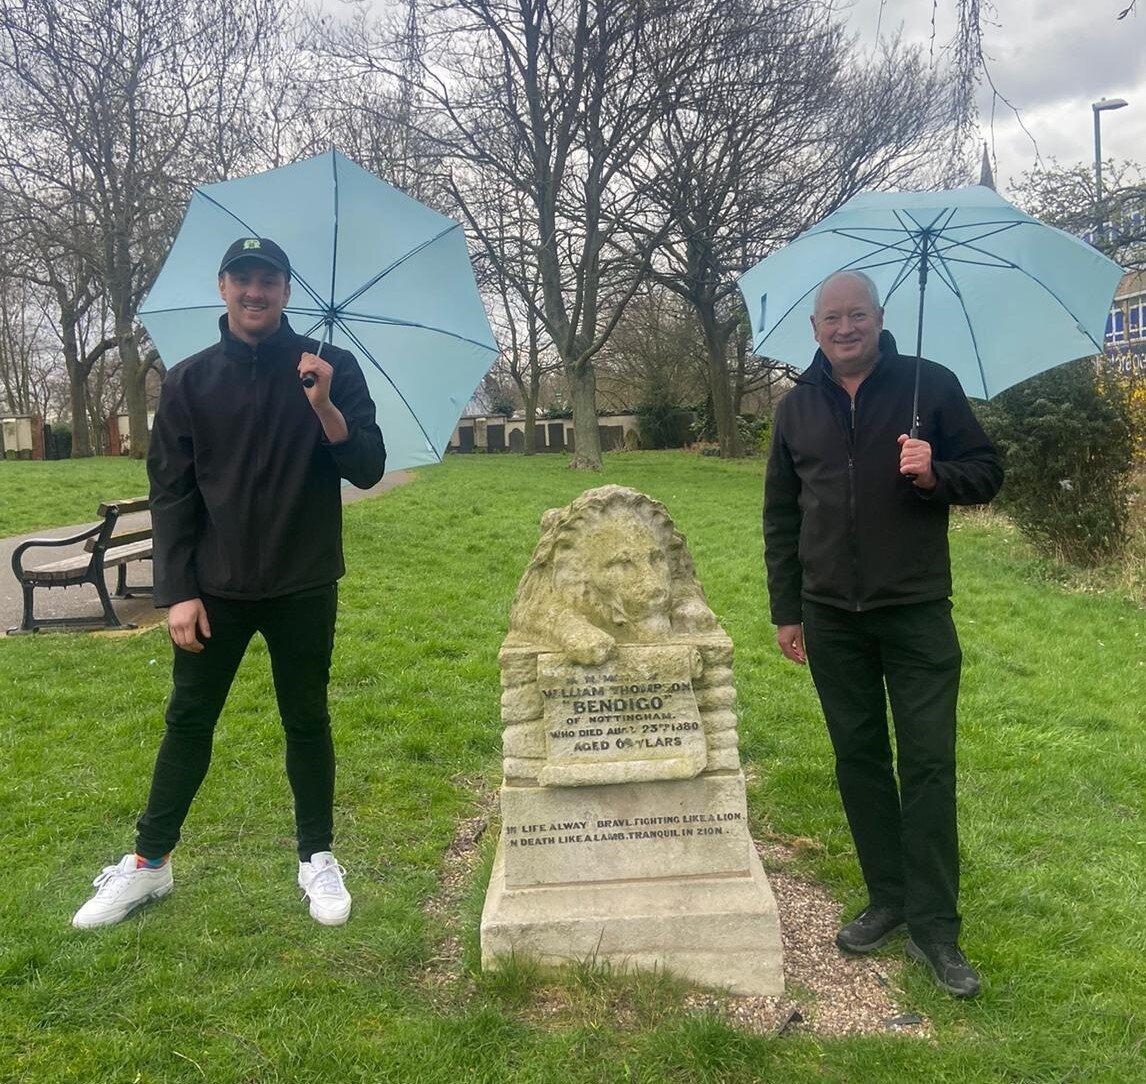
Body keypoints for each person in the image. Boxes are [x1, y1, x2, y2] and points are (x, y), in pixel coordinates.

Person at [73, 237, 386, 930]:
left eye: (269, 279)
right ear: (223, 287)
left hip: (304, 580)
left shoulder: (329, 369)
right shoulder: (188, 381)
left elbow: (366, 467)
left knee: (306, 718)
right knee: (188, 720)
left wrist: (325, 406)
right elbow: (173, 495)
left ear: (285, 289)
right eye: (243, 279)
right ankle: (150, 865)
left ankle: (317, 858)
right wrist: (177, 591)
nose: (256, 291)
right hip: (213, 589)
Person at [763, 270, 1002, 998]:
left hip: (916, 609)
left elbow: (988, 471)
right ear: (814, 328)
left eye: (857, 315)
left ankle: (937, 927)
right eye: (832, 317)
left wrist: (935, 475)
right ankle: (889, 897)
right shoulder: (795, 407)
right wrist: (788, 610)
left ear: (879, 317)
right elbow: (782, 516)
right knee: (859, 760)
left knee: (927, 764)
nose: (845, 328)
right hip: (831, 616)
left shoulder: (931, 384)